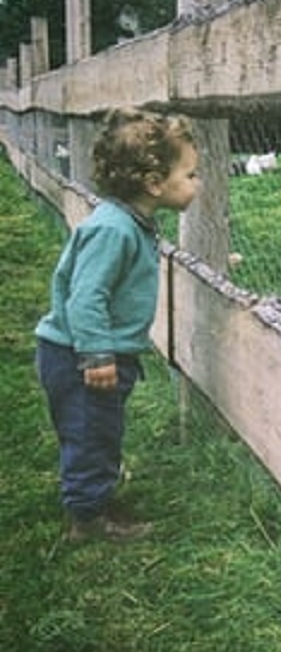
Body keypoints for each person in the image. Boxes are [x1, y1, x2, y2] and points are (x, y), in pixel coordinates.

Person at [35, 107, 201, 542]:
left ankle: (94, 497)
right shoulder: (115, 230)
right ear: (153, 183)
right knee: (90, 433)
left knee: (99, 430)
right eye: (190, 174)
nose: (196, 183)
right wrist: (96, 354)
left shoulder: (132, 223)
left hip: (96, 353)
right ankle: (88, 519)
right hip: (81, 357)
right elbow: (86, 296)